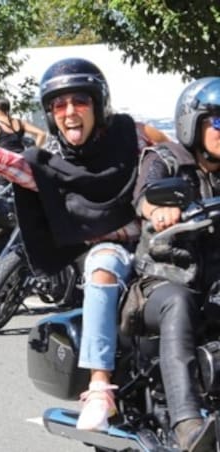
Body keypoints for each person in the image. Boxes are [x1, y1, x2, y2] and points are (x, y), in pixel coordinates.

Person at [0, 58, 168, 432]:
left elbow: (185, 153)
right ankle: (100, 387)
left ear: (98, 103)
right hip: (115, 252)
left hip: (163, 242)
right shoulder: (50, 163)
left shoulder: (133, 135)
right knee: (102, 265)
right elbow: (3, 161)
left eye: (79, 101)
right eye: (59, 105)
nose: (70, 112)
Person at [129, 77, 220, 451]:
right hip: (159, 285)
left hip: (212, 283)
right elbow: (143, 196)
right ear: (193, 123)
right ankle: (187, 421)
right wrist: (160, 209)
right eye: (218, 121)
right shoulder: (165, 159)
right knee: (177, 302)